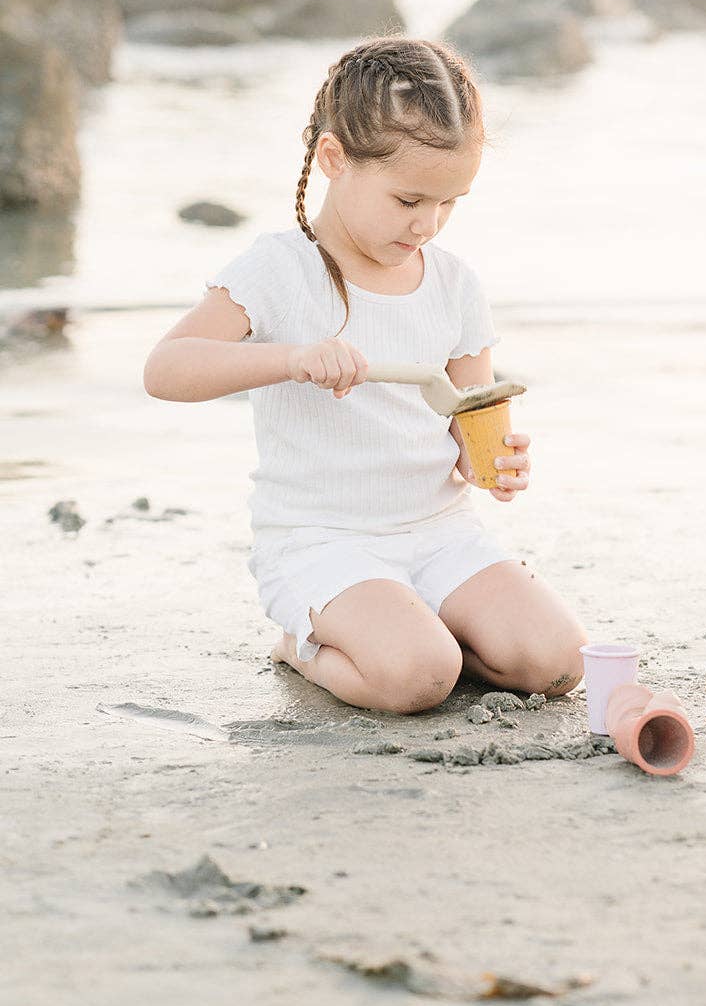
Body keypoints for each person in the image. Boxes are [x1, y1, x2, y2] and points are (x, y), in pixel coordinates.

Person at [143, 36, 588, 714]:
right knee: (417, 679)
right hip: (323, 541)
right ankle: (302, 646)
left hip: (439, 531)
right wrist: (291, 358)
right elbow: (165, 370)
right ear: (334, 159)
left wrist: (488, 462)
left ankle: (421, 632)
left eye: (449, 202)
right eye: (408, 200)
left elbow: (468, 416)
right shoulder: (280, 271)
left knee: (557, 663)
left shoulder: (454, 285)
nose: (428, 224)